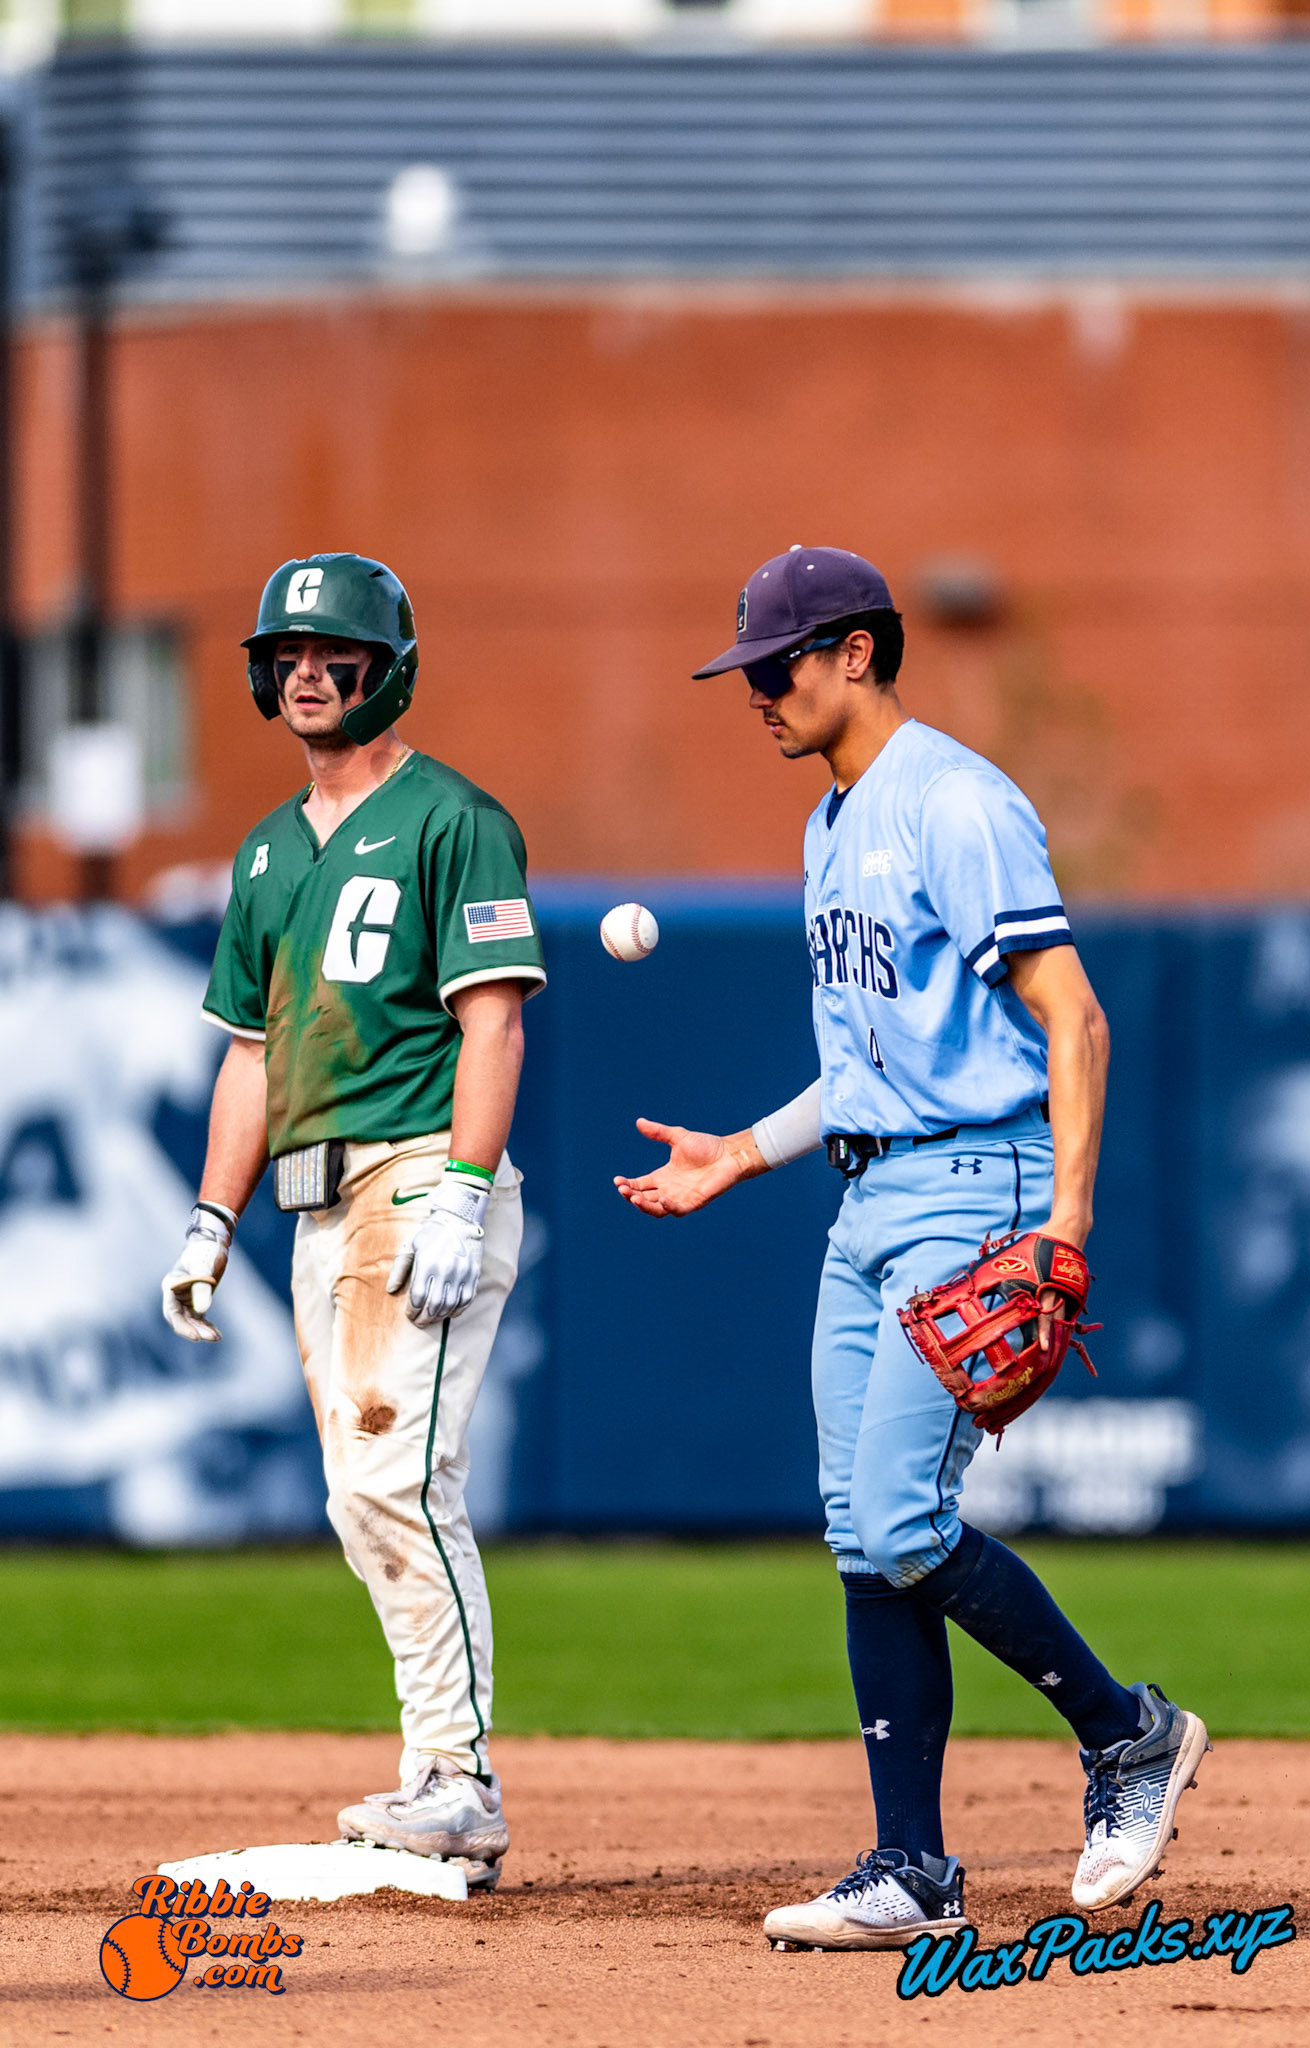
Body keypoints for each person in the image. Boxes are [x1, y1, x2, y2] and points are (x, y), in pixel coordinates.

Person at [614, 545, 1208, 1951]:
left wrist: (1061, 1221)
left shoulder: (952, 802)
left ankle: (1126, 1735)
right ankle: (910, 1870)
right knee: (858, 1538)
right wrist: (741, 1155)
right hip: (867, 1195)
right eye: (747, 671)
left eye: (776, 665)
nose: (755, 692)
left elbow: (1074, 1018)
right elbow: (871, 1065)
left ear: (858, 654)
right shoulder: (831, 823)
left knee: (895, 1521)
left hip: (975, 1184)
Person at [161, 553, 545, 1887]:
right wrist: (212, 1219)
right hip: (312, 1205)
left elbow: (490, 1017)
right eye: (292, 653)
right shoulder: (268, 850)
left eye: (340, 654)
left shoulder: (454, 817)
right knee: (358, 1493)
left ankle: (455, 1778)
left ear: (390, 669)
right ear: (266, 674)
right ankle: (438, 1769)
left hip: (415, 1175)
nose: (312, 673)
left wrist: (464, 1186)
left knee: (396, 1477)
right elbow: (254, 1055)